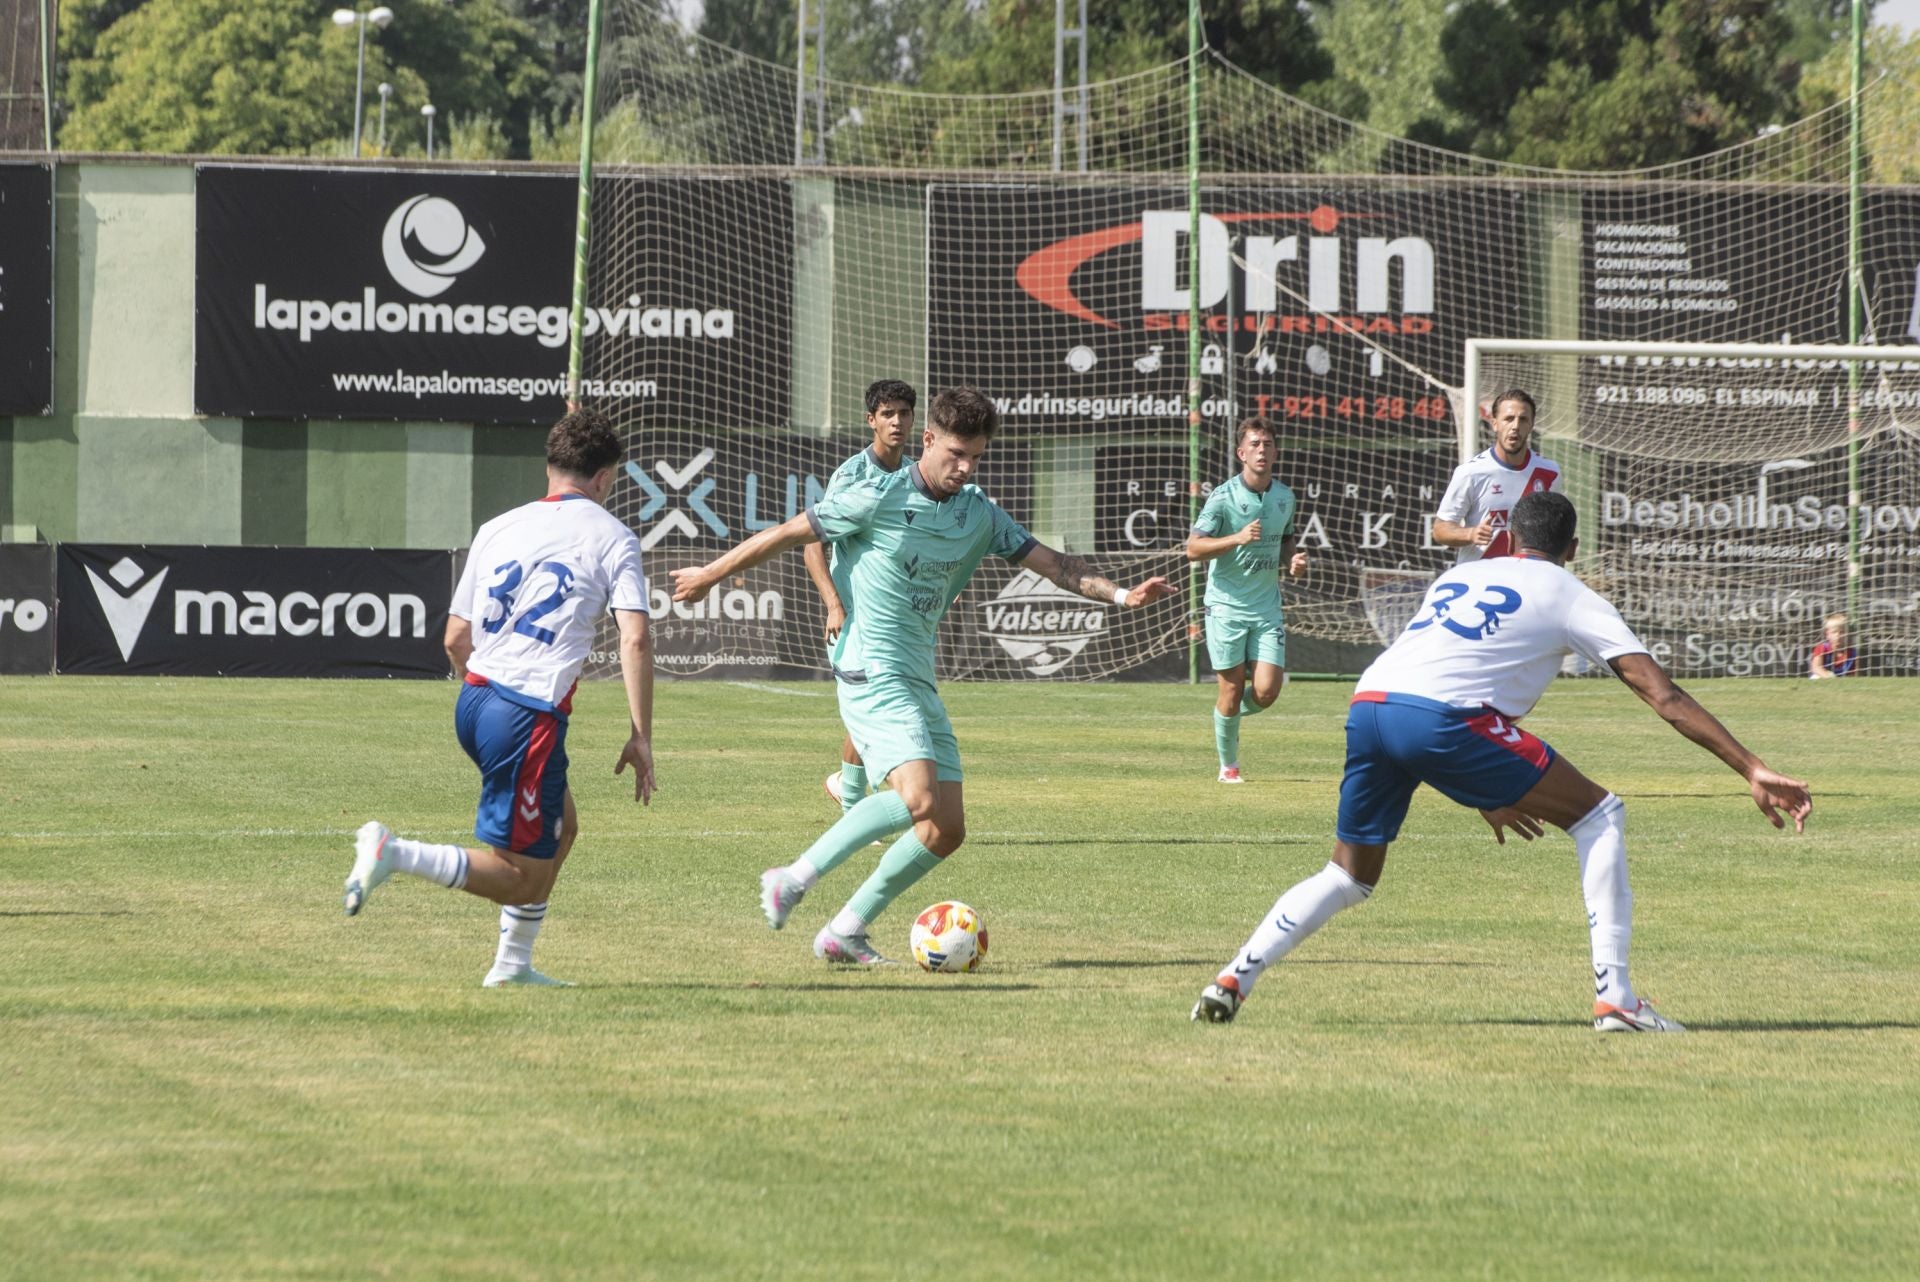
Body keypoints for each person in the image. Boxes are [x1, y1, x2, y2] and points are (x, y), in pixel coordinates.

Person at [1192, 491, 1810, 1031]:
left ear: (1510, 536)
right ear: (1572, 548)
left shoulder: (1461, 578)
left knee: (1348, 875)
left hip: (1370, 704)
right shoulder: (1571, 591)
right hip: (1442, 718)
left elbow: (1435, 676)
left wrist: (1481, 786)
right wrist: (1751, 766)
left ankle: (1232, 980)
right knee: (1600, 816)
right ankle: (1617, 1001)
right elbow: (1663, 697)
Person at [671, 387, 1176, 965]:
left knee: (946, 828)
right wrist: (711, 573)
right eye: (957, 454)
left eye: (977, 457)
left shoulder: (978, 512)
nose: (965, 468)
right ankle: (792, 878)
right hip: (870, 662)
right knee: (918, 798)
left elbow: (1054, 564)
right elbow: (789, 534)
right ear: (928, 440)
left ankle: (845, 930)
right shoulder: (875, 496)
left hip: (916, 672)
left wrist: (1120, 594)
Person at [342, 408, 657, 988]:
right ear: (605, 479)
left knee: (562, 829)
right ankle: (393, 852)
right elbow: (635, 636)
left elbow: (455, 638)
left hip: (476, 699)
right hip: (525, 716)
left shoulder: (498, 526)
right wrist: (641, 735)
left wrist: (489, 694)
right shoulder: (614, 538)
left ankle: (513, 966)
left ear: (550, 466)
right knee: (522, 877)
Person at [805, 378, 915, 816]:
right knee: (872, 707)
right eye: (888, 413)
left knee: (877, 706)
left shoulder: (915, 476)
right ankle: (853, 800)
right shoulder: (853, 476)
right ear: (871, 421)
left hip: (898, 616)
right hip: (856, 619)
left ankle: (846, 785)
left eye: (904, 412)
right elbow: (813, 542)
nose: (897, 421)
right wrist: (834, 603)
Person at [1187, 416, 1309, 783]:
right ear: (1241, 453)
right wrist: (1235, 539)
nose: (1261, 449)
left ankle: (1226, 716)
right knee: (1231, 687)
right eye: (1254, 444)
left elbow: (1286, 540)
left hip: (1266, 606)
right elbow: (1193, 548)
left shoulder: (1284, 497)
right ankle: (1229, 767)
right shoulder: (1223, 497)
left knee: (1267, 691)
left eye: (1267, 444)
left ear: (1276, 452)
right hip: (1225, 606)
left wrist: (1294, 561)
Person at [1431, 389, 1559, 562]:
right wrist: (1470, 533)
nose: (1515, 426)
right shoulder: (1471, 472)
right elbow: (1440, 529)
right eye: (1508, 419)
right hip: (1481, 579)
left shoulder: (1550, 472)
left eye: (1523, 419)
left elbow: (1554, 531)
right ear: (1494, 423)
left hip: (1526, 579)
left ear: (1531, 425)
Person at [1808, 612, 1858, 678]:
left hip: (1841, 681)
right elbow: (1816, 667)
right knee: (1816, 677)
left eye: (1842, 632)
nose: (1838, 635)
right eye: (1834, 632)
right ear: (1827, 634)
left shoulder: (1852, 653)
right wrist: (1828, 677)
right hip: (1824, 677)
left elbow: (1853, 674)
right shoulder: (1822, 648)